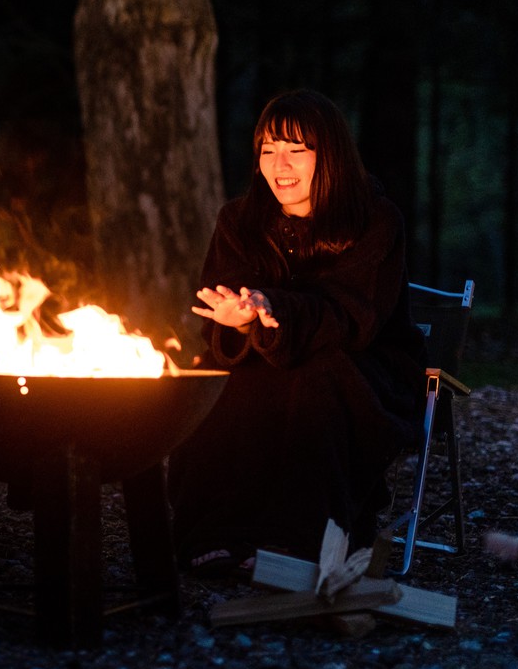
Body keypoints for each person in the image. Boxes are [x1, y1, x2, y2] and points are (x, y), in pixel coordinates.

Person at [167, 88, 426, 576]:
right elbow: (220, 303)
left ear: (329, 154)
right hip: (263, 362)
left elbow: (355, 316)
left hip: (363, 364)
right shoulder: (240, 221)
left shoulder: (374, 219)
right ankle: (215, 531)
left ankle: (297, 538)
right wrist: (238, 318)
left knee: (315, 377)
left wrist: (275, 308)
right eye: (268, 150)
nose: (279, 165)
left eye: (295, 150)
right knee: (216, 381)